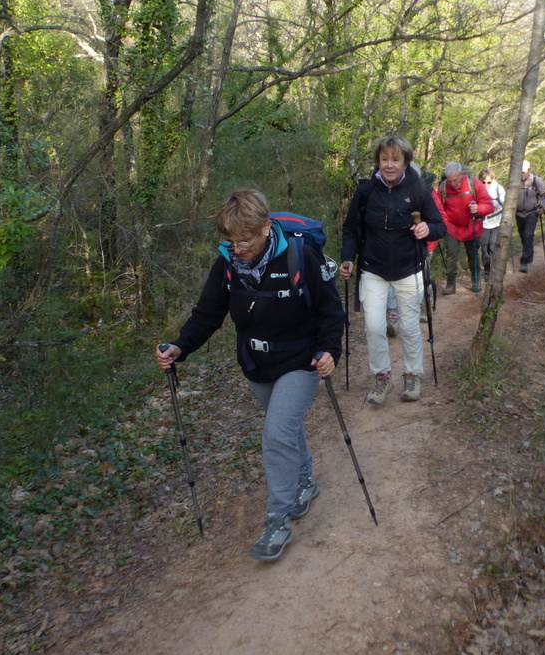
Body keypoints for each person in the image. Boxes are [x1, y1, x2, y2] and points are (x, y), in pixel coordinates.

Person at [156, 189, 344, 563]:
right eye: (229, 241)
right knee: (285, 428)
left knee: (276, 432)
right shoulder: (226, 264)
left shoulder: (299, 255)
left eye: (245, 240)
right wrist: (180, 347)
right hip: (256, 363)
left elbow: (330, 311)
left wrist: (329, 351)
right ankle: (305, 478)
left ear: (265, 228)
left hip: (301, 360)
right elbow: (208, 315)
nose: (237, 248)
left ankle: (278, 518)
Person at [340, 135, 445, 406]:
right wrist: (348, 258)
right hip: (373, 269)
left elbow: (439, 225)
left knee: (409, 327)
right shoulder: (366, 191)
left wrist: (427, 229)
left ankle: (412, 376)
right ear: (378, 160)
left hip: (408, 269)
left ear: (405, 161)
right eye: (384, 159)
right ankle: (382, 377)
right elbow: (351, 228)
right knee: (374, 327)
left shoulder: (419, 188)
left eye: (395, 159)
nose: (389, 164)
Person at [432, 161, 494, 294]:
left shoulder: (474, 183)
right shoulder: (443, 187)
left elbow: (489, 205)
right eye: (450, 181)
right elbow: (439, 208)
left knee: (473, 256)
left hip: (472, 225)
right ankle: (450, 284)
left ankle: (475, 281)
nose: (453, 184)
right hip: (452, 227)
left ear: (462, 174)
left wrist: (479, 208)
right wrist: (442, 224)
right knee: (451, 255)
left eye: (455, 180)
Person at [514, 159, 545, 273]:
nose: (521, 174)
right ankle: (528, 253)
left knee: (528, 234)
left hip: (532, 212)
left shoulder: (536, 181)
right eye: (519, 172)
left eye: (523, 172)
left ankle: (525, 260)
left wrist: (543, 207)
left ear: (528, 171)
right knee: (523, 235)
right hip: (518, 213)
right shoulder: (514, 181)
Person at [477, 168, 506, 276]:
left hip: (497, 221)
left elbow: (505, 205)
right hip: (483, 222)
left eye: (489, 182)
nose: (486, 185)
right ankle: (487, 271)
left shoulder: (499, 189)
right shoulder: (476, 190)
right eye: (483, 182)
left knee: (493, 246)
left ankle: (498, 269)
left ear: (493, 180)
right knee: (484, 247)